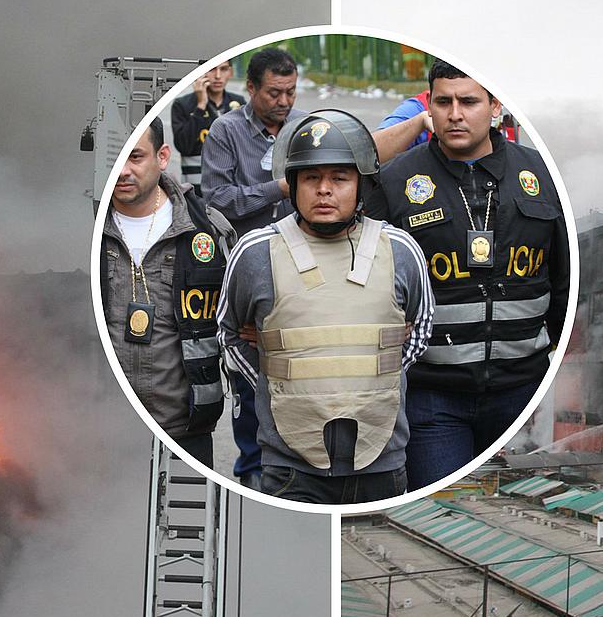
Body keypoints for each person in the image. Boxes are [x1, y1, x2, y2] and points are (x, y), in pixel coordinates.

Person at [364, 60, 570, 491]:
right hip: (433, 394)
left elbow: (565, 281)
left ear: (495, 106)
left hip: (522, 388)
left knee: (517, 519)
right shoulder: (397, 181)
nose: (455, 113)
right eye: (444, 102)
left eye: (469, 101)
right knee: (445, 511)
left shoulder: (542, 176)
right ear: (430, 108)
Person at [217, 109, 433, 505]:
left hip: (382, 462)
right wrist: (276, 382)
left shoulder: (401, 251)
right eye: (311, 178)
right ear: (293, 185)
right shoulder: (255, 253)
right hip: (291, 470)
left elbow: (421, 327)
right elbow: (230, 334)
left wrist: (376, 373)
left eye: (339, 178)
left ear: (361, 185)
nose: (324, 190)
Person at [100, 117, 235, 465]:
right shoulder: (89, 230)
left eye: (135, 157)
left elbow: (242, 325)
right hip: (98, 428)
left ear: (162, 157)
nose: (123, 170)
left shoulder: (208, 230)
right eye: (114, 159)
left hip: (185, 430)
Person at [200, 47, 306, 486]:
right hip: (250, 276)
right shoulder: (226, 132)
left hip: (303, 275)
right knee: (252, 379)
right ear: (251, 88)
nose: (284, 102)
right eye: (274, 93)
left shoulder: (306, 129)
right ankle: (252, 476)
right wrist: (276, 190)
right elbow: (217, 199)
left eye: (291, 92)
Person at [171, 61, 245, 187]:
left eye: (223, 69)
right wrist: (200, 105)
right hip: (196, 188)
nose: (217, 76)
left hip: (232, 185)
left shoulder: (239, 103)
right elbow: (184, 146)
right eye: (212, 69)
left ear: (230, 72)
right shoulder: (182, 104)